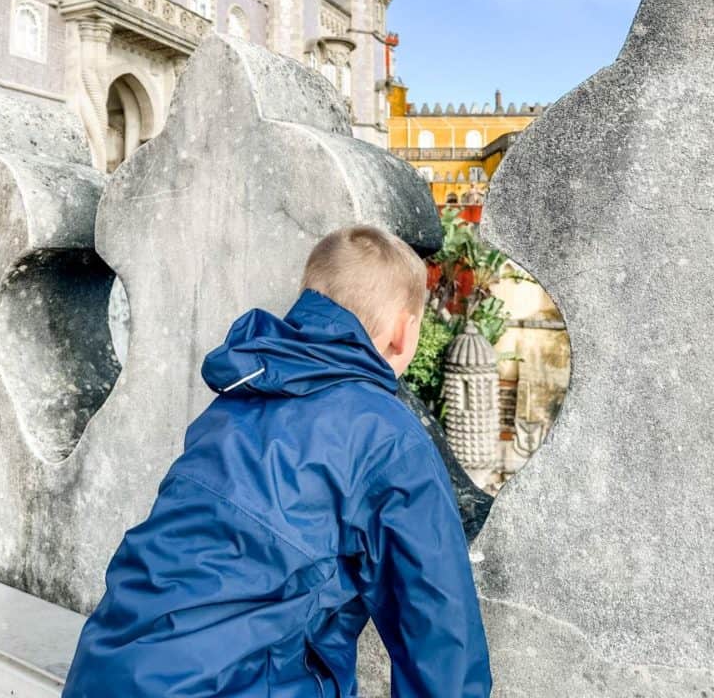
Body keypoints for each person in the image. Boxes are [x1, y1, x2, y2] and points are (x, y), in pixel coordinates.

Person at [62, 224, 493, 697]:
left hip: (101, 673)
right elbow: (439, 633)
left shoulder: (237, 398)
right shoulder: (389, 438)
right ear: (403, 332)